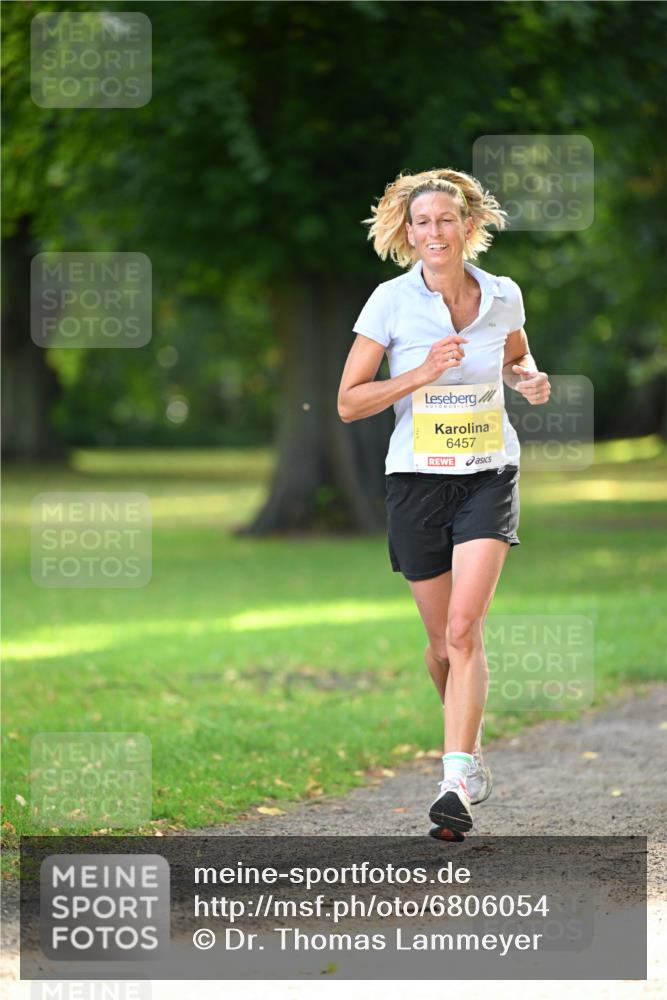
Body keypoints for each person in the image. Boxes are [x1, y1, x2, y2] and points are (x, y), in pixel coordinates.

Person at [337, 168, 551, 840]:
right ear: (407, 232)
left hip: (489, 473)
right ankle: (472, 751)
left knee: (464, 630)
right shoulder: (390, 303)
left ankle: (453, 777)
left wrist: (528, 379)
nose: (434, 232)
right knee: (439, 646)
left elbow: (515, 358)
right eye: (421, 222)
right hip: (416, 483)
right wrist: (422, 373)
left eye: (445, 220)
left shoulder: (503, 295)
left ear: (468, 227)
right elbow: (348, 401)